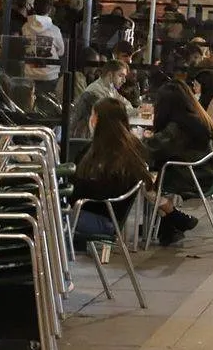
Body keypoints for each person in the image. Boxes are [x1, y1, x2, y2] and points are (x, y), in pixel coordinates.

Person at [71, 98, 199, 246]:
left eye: (93, 115)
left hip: (98, 218)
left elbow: (89, 192)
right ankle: (172, 218)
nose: (90, 119)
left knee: (47, 217)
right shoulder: (131, 148)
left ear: (98, 120)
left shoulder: (100, 155)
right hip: (109, 216)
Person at [143, 80, 213, 244]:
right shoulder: (197, 117)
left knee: (142, 180)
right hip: (203, 171)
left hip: (189, 176)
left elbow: (152, 149)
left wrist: (142, 138)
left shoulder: (178, 127)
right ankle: (170, 227)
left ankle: (175, 216)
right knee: (153, 177)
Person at [70, 60, 133, 139]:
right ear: (110, 75)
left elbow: (127, 105)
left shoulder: (111, 88)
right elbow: (115, 114)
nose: (124, 80)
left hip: (96, 135)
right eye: (121, 76)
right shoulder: (95, 92)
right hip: (85, 140)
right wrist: (135, 111)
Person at [21, 0, 65, 94]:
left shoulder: (25, 28)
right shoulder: (54, 30)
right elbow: (61, 51)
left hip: (30, 73)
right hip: (49, 74)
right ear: (49, 10)